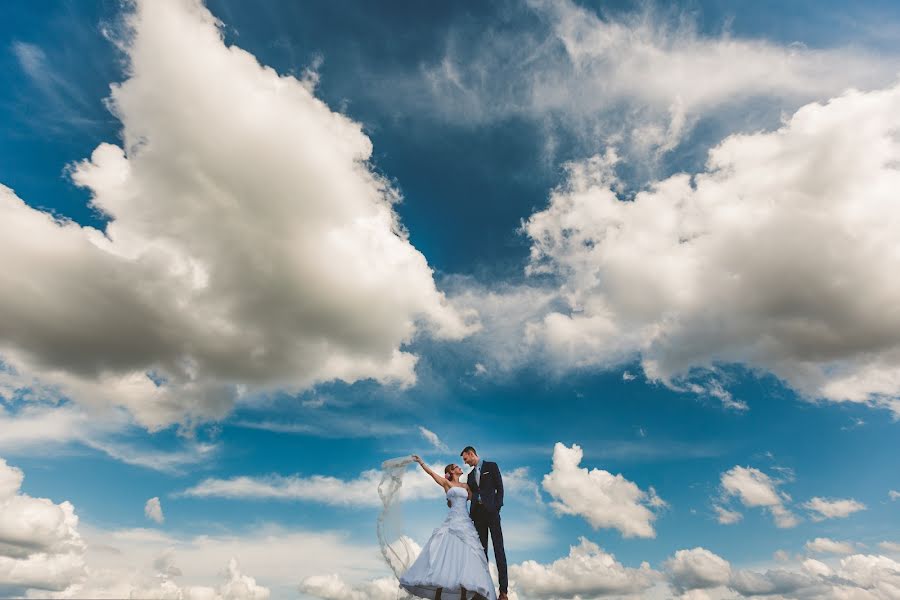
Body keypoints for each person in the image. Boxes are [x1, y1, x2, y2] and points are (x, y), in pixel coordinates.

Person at [398, 455, 496, 600]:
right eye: (457, 467)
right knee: (444, 557)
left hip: (465, 523)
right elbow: (431, 473)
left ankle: (464, 595)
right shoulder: (446, 483)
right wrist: (421, 462)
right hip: (452, 523)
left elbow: (476, 498)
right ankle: (438, 595)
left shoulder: (466, 486)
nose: (459, 467)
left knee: (465, 557)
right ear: (451, 471)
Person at [461, 447, 508, 600]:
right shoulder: (469, 476)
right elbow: (470, 494)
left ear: (470, 454)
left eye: (465, 459)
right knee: (482, 553)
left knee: (499, 550)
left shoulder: (491, 466)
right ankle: (483, 588)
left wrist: (496, 507)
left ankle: (503, 591)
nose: (465, 462)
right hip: (478, 516)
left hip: (492, 514)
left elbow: (500, 489)